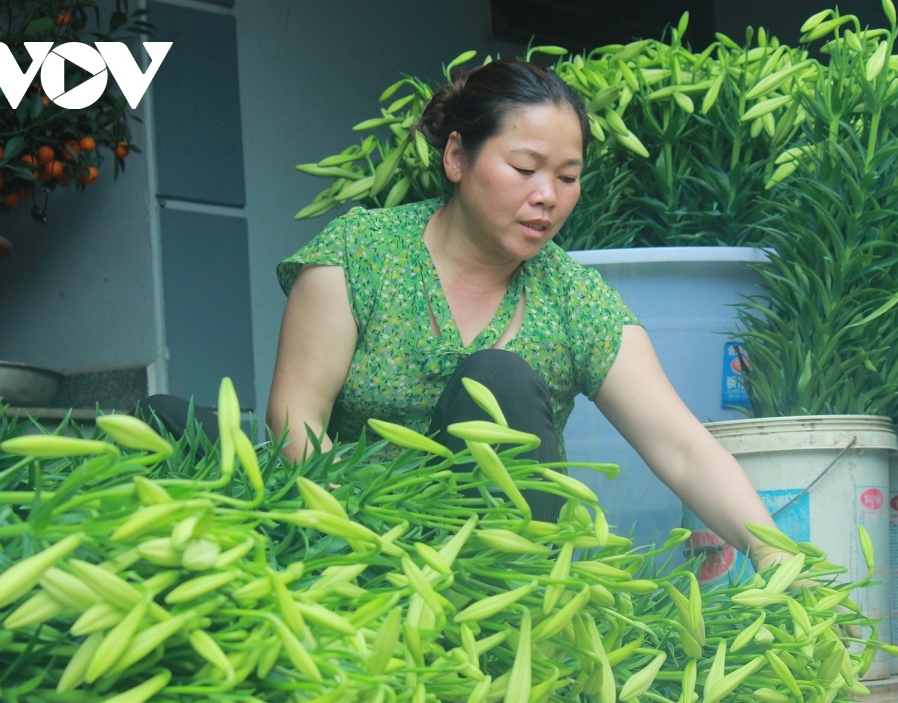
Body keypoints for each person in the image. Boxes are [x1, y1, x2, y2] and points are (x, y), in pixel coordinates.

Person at [267, 58, 792, 570]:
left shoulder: (573, 300)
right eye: (524, 169)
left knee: (498, 380)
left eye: (568, 177)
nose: (547, 197)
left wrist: (776, 556)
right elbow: (295, 419)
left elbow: (684, 449)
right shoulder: (362, 255)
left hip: (497, 578)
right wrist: (367, 540)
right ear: (456, 157)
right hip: (350, 547)